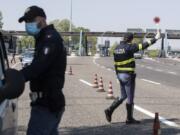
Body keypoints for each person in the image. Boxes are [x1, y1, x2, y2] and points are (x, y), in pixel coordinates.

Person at [18, 5, 67, 135]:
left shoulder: (50, 39)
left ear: (42, 20)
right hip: (48, 103)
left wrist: (15, 77)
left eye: (30, 21)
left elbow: (38, 67)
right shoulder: (43, 39)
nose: (28, 24)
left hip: (46, 106)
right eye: (26, 22)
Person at [104, 31, 161, 124]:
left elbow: (115, 64)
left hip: (120, 75)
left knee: (123, 96)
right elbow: (143, 45)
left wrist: (117, 76)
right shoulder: (129, 47)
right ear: (130, 39)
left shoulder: (116, 48)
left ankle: (109, 110)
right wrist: (155, 39)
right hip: (128, 76)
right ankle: (129, 119)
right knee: (130, 97)